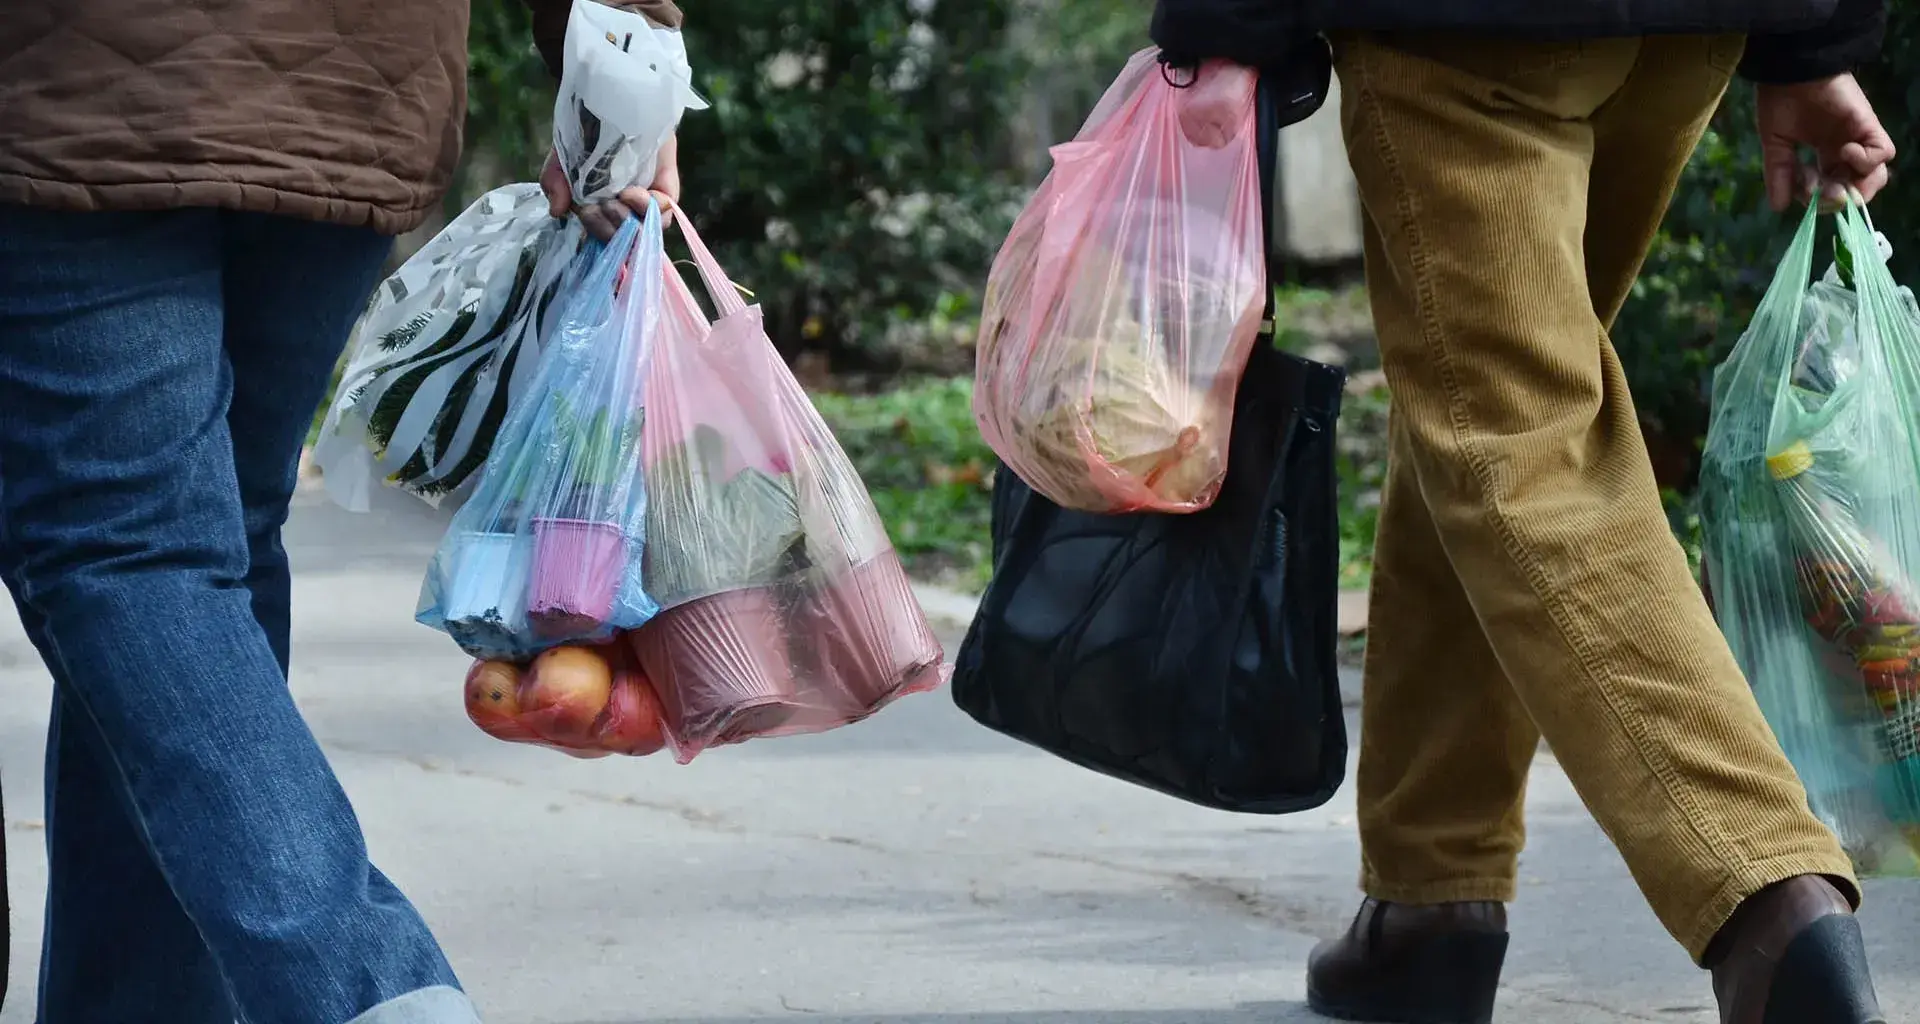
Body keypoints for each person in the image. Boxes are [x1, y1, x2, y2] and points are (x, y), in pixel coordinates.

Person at [1150, 2, 1896, 1022]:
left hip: (1468, 34)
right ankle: (1431, 893)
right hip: (1684, 37)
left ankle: (1769, 893)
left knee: (1523, 448)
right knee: (1477, 397)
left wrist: (1222, 19)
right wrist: (1814, 38)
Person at [0, 0, 682, 1019]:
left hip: (72, 86)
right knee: (201, 561)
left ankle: (370, 987)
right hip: (351, 82)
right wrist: (625, 55)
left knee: (132, 557)